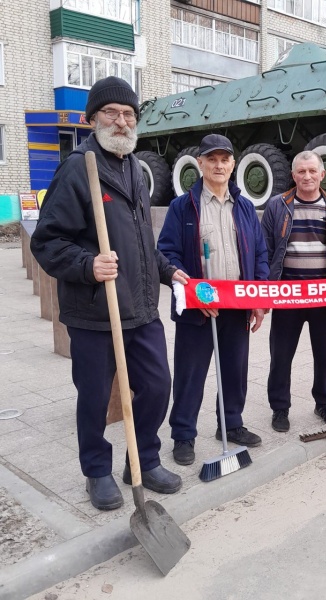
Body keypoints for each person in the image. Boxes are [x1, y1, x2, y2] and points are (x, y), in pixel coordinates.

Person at [30, 77, 188, 510]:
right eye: (112, 113)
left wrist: (169, 272)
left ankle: (144, 460)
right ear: (92, 119)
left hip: (140, 310)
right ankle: (97, 471)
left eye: (129, 114)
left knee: (157, 386)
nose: (121, 121)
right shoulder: (77, 169)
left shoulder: (136, 171)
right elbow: (46, 241)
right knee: (96, 398)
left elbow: (142, 244)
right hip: (95, 313)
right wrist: (87, 264)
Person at [157, 134, 268, 466]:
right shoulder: (183, 207)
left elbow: (260, 253)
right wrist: (193, 292)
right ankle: (183, 435)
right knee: (191, 374)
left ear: (233, 165)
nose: (219, 165)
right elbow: (167, 254)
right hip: (198, 308)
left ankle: (230, 424)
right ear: (200, 164)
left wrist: (259, 298)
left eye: (225, 160)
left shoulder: (246, 207)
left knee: (235, 370)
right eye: (212, 159)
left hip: (237, 305)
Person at [261, 150, 326, 433]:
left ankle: (325, 402)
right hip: (287, 294)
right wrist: (266, 289)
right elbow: (265, 249)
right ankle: (280, 407)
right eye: (301, 172)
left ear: (322, 174)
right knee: (281, 355)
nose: (307, 176)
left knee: (324, 354)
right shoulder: (277, 206)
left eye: (312, 171)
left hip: (325, 296)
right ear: (293, 176)